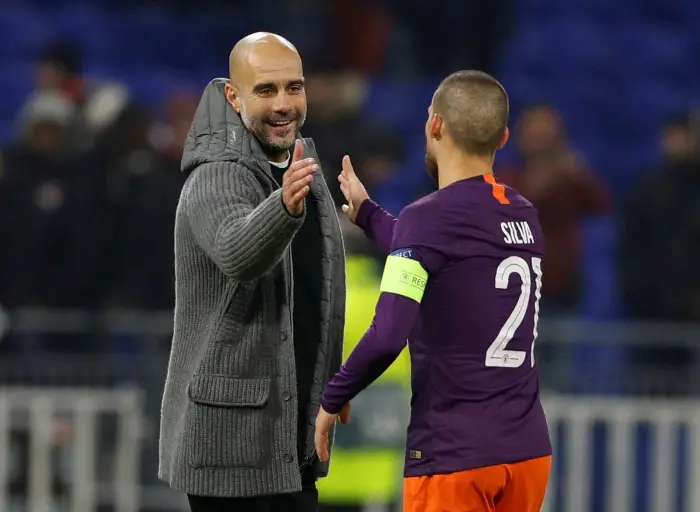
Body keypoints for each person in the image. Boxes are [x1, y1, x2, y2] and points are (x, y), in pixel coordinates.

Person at [315, 71, 552, 512]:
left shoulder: (430, 218)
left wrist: (332, 398)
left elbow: (388, 336)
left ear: (435, 126)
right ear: (502, 137)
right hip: (526, 451)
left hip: (454, 453)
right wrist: (367, 213)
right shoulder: (524, 215)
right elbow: (436, 256)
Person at [158, 32, 347, 512]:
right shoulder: (216, 174)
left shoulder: (300, 166)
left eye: (294, 87)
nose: (284, 104)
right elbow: (237, 253)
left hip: (289, 438)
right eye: (266, 90)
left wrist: (330, 377)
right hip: (230, 450)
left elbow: (316, 286)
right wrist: (283, 207)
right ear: (233, 97)